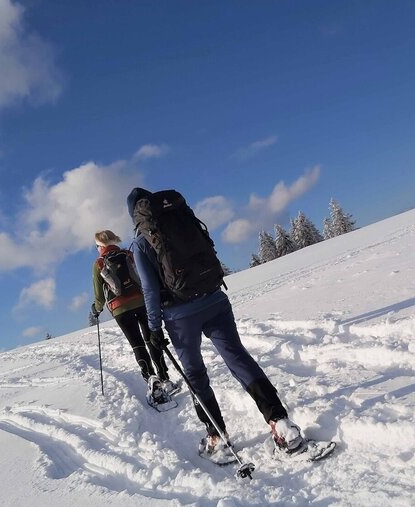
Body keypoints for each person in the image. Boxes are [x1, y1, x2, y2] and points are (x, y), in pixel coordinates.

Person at [125, 188, 305, 461]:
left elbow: (149, 290)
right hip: (215, 300)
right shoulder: (181, 218)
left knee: (195, 373)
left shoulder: (140, 244)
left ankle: (216, 436)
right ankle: (280, 422)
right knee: (238, 358)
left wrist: (153, 328)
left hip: (180, 317)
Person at [90, 229, 174, 402]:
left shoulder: (98, 263)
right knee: (151, 338)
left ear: (100, 246)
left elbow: (99, 296)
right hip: (142, 301)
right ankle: (164, 376)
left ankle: (151, 380)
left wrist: (96, 309)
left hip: (120, 308)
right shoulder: (128, 254)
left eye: (96, 246)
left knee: (137, 344)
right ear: (114, 240)